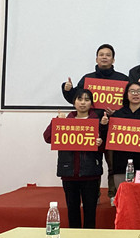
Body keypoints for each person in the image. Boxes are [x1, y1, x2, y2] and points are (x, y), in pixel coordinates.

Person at [42, 88, 105, 228]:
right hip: (69, 174)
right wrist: (56, 121)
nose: (83, 103)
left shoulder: (97, 121)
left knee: (90, 212)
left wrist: (100, 143)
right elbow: (47, 137)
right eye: (79, 99)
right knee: (72, 211)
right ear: (74, 102)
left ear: (91, 103)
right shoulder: (66, 120)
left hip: (91, 174)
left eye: (87, 100)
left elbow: (106, 147)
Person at [103, 80, 140, 202]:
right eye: (132, 91)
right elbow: (109, 139)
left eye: (139, 91)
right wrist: (104, 125)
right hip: (121, 164)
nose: (135, 94)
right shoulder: (117, 116)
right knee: (124, 200)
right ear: (126, 95)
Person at [62, 43, 129, 105]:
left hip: (116, 114)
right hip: (91, 114)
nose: (104, 57)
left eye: (108, 55)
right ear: (96, 59)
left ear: (113, 60)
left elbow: (129, 102)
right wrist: (68, 90)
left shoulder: (123, 79)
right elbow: (75, 98)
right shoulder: (87, 79)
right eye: (101, 55)